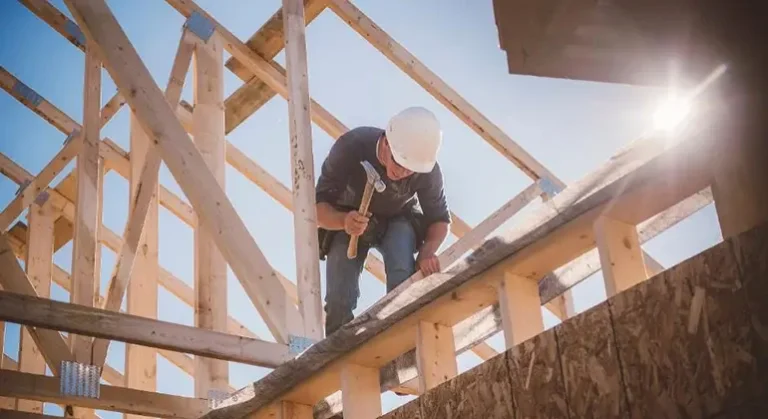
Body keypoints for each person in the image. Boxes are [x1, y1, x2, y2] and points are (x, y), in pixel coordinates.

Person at [315, 106, 452, 335]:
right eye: (398, 163)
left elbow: (440, 220)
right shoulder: (352, 147)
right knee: (339, 299)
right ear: (387, 141)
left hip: (398, 219)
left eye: (410, 170)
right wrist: (343, 221)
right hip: (348, 220)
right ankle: (340, 358)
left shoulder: (426, 169)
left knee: (403, 285)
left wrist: (427, 252)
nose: (403, 173)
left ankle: (401, 341)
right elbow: (316, 208)